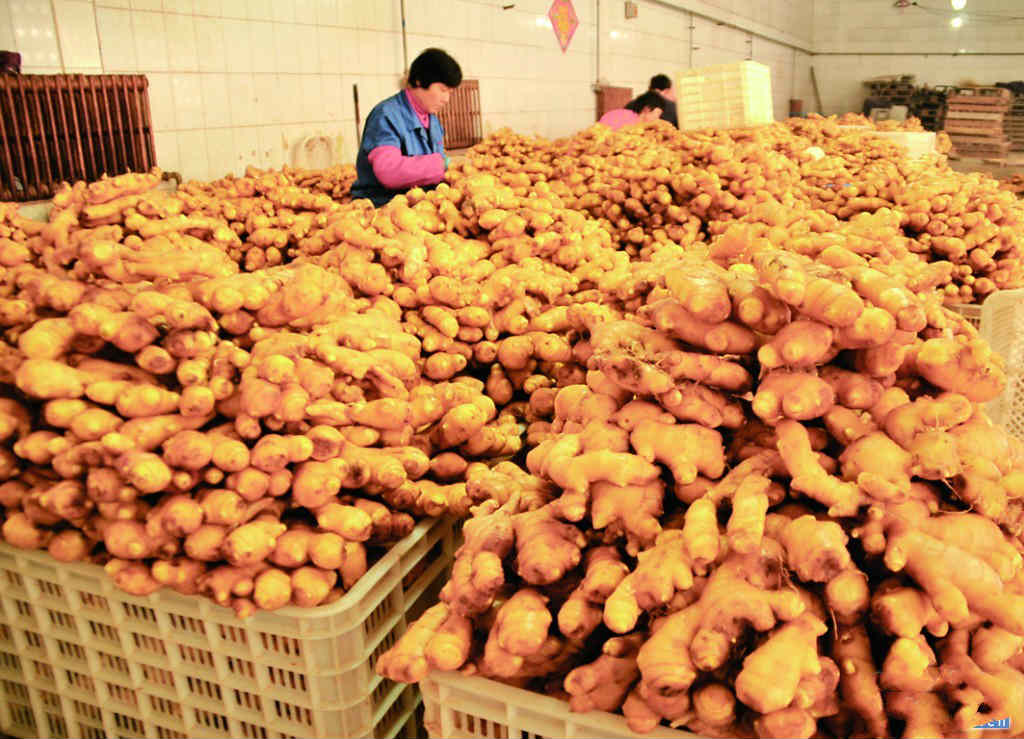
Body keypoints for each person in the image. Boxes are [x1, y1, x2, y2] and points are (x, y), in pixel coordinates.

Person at [350, 48, 462, 206]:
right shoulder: (386, 116)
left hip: (419, 205)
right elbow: (389, 172)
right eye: (442, 90)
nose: (446, 99)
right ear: (419, 81)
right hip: (381, 206)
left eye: (450, 92)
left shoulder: (433, 121)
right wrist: (441, 164)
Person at [597, 91, 666, 131]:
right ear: (647, 109)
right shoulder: (631, 124)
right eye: (657, 113)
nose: (658, 119)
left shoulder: (625, 114)